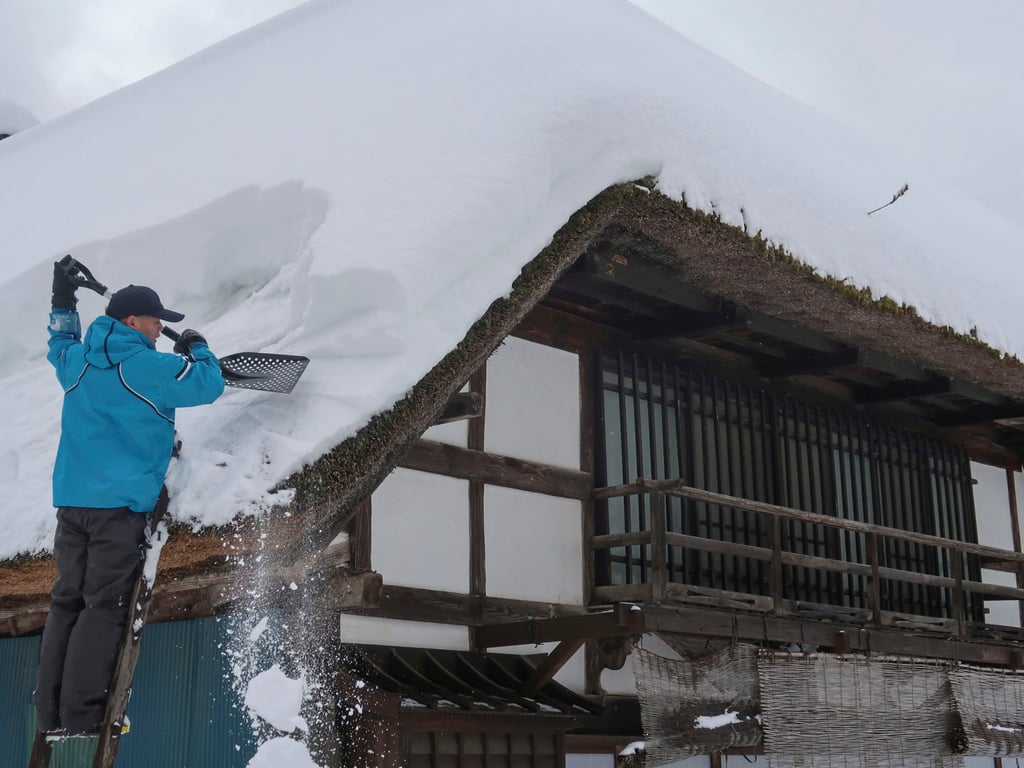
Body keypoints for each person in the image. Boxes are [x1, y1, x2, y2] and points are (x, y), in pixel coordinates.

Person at [33, 256, 225, 736]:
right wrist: (198, 347)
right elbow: (208, 384)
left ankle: (50, 713)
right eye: (158, 320)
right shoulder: (147, 365)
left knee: (66, 605)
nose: (162, 329)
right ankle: (82, 717)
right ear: (133, 321)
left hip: (72, 506)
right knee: (102, 608)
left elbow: (59, 341)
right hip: (116, 511)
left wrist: (62, 297)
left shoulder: (77, 362)